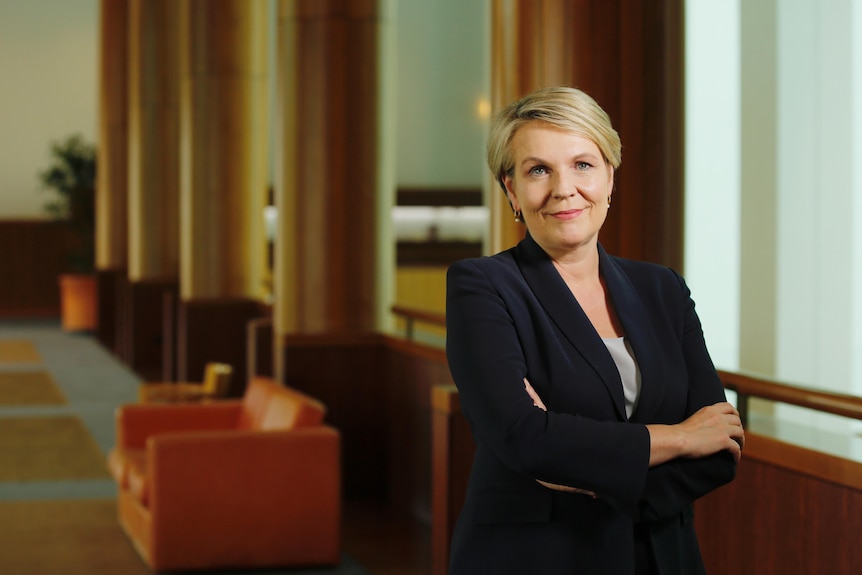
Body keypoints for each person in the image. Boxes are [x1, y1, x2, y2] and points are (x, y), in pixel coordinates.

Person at [445, 86, 744, 575]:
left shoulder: (662, 288)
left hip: (663, 557)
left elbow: (721, 447)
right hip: (539, 559)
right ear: (511, 190)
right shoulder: (483, 286)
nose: (564, 188)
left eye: (583, 164)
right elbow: (524, 438)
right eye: (538, 169)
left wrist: (579, 464)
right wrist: (681, 438)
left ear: (610, 176)